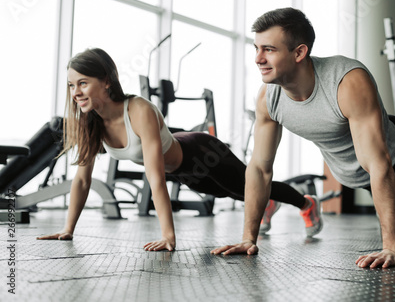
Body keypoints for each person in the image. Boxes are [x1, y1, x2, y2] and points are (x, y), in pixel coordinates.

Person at [210, 7, 395, 268]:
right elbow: (259, 168)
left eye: (269, 49)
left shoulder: (347, 81)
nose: (258, 58)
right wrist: (249, 238)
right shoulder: (268, 98)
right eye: (257, 48)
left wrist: (390, 249)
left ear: (299, 52)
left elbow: (380, 164)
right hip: (355, 170)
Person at [37, 47, 323, 250]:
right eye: (72, 85)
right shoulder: (91, 124)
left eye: (83, 83)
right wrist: (67, 230)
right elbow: (83, 180)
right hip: (185, 173)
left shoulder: (138, 110)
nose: (75, 92)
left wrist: (168, 237)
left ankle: (306, 203)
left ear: (107, 81)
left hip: (202, 153)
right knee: (232, 193)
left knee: (246, 186)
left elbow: (155, 177)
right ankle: (267, 203)